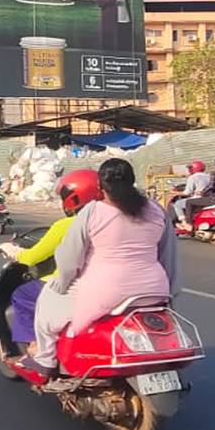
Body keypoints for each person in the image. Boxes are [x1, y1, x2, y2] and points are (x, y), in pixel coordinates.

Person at [22, 158, 180, 377]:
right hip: (155, 289)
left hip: (107, 290)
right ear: (133, 181)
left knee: (47, 302)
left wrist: (63, 283)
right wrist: (169, 291)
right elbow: (168, 255)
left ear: (100, 187)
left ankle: (46, 358)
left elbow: (69, 258)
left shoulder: (93, 212)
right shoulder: (156, 210)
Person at [0, 169, 101, 352]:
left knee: (22, 295)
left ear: (74, 198)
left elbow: (31, 257)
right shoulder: (114, 220)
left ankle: (36, 346)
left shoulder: (65, 226)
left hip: (72, 284)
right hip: (108, 283)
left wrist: (11, 250)